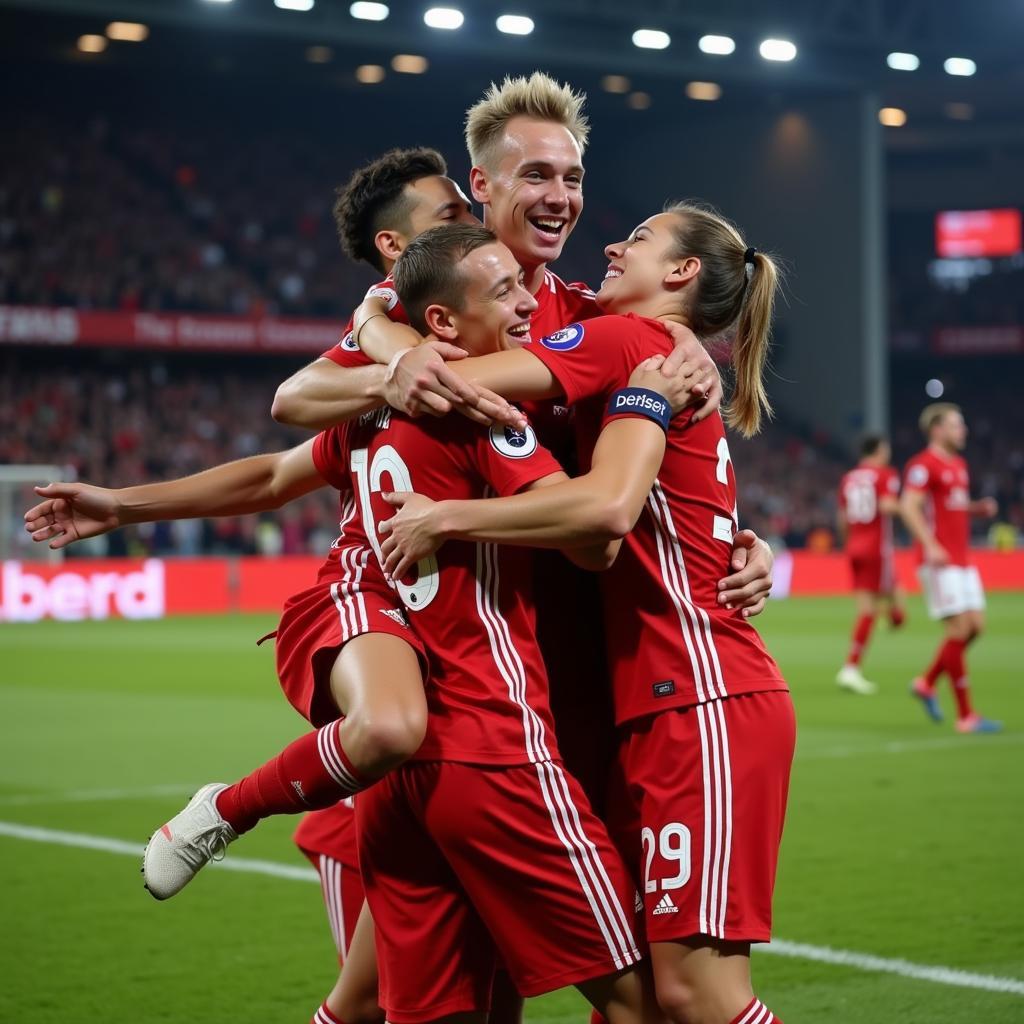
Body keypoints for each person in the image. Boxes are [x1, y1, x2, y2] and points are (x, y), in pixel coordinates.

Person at [378, 205, 793, 1024]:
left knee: (693, 995)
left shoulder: (626, 342)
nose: (611, 241)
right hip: (660, 702)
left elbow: (452, 385)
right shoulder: (662, 354)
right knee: (646, 986)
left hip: (700, 695)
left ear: (680, 275)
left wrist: (379, 338)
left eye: (639, 238)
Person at [317, 222, 694, 1024]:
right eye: (537, 175)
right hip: (501, 742)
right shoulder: (511, 388)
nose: (560, 197)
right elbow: (600, 535)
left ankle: (228, 810)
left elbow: (283, 440)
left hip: (424, 742)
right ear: (485, 188)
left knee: (398, 1002)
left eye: (572, 174)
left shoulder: (568, 315)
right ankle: (230, 808)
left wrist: (386, 347)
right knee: (655, 1002)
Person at [901, 403, 1001, 733]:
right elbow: (909, 507)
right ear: (937, 430)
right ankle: (966, 716)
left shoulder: (958, 464)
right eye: (957, 425)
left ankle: (927, 682)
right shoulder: (922, 465)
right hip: (939, 561)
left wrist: (975, 509)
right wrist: (930, 544)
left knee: (975, 627)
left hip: (962, 558)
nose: (964, 431)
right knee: (959, 630)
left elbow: (949, 506)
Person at [834, 434, 905, 695]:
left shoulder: (849, 478)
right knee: (881, 606)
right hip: (877, 547)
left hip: (854, 546)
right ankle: (851, 668)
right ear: (879, 450)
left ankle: (851, 668)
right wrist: (909, 509)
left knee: (872, 604)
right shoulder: (885, 474)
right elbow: (886, 506)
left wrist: (847, 543)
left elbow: (842, 517)